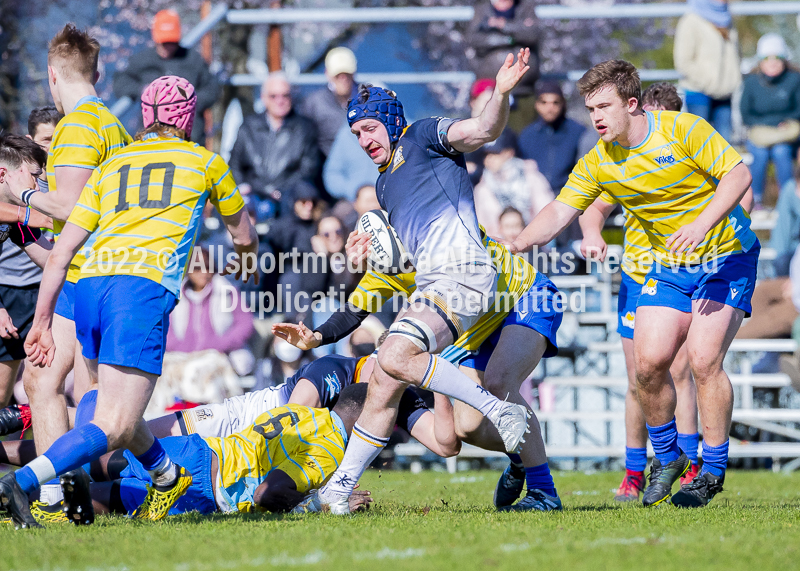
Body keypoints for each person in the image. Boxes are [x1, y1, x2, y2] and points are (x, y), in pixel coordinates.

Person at [283, 50, 541, 515]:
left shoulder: (421, 136)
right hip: (435, 283)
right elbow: (361, 302)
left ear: (388, 119)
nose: (362, 140)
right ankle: (339, 490)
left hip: (465, 271)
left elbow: (481, 130)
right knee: (383, 380)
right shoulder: (384, 188)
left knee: (396, 354)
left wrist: (500, 92)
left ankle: (498, 409)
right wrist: (316, 335)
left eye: (367, 128)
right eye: (354, 133)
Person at [0, 76, 258, 529]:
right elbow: (243, 233)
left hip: (89, 288)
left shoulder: (112, 165)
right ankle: (24, 483)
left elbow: (60, 252)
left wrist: (41, 321)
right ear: (189, 117)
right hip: (139, 290)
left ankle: (164, 476)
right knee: (116, 423)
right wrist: (246, 262)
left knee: (107, 400)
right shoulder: (205, 161)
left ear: (144, 115)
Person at [510, 60, 757, 508]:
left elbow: (739, 177)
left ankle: (712, 471)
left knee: (702, 361)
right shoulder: (600, 161)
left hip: (726, 257)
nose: (597, 117)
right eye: (590, 108)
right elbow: (560, 211)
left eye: (604, 106)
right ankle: (665, 459)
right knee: (647, 365)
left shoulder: (683, 130)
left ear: (631, 104)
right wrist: (517, 243)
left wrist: (702, 225)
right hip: (669, 265)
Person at [0, 24, 132, 512]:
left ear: (52, 75)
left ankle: (58, 494)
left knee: (44, 382)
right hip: (108, 269)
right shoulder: (112, 124)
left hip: (83, 273)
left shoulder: (76, 126)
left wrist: (23, 193)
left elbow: (71, 205)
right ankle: (82, 491)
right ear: (97, 72)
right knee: (83, 388)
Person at [579, 82, 702, 502]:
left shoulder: (687, 146)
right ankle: (634, 471)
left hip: (685, 271)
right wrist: (592, 232)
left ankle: (687, 464)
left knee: (682, 372)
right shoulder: (625, 157)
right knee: (640, 377)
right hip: (637, 277)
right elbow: (594, 207)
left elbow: (741, 190)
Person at [112, 9, 221, 145]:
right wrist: (143, 91)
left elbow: (212, 89)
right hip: (152, 135)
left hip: (189, 136)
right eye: (164, 43)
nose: (168, 47)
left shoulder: (193, 60)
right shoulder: (142, 60)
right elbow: (120, 82)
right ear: (156, 39)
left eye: (171, 42)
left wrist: (189, 102)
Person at [0, 136, 54, 409]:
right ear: (3, 175)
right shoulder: (17, 214)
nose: (36, 184)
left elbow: (50, 259)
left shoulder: (16, 217)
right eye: (33, 176)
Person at [228, 73, 322, 219]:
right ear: (263, 97)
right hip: (252, 196)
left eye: (285, 96)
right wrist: (248, 188)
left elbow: (308, 169)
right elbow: (234, 164)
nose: (280, 101)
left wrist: (281, 191)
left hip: (289, 200)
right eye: (274, 96)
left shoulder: (305, 128)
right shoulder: (248, 126)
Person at [518, 81, 586, 261]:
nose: (550, 108)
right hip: (535, 198)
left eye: (555, 102)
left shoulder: (578, 132)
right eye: (544, 102)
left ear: (562, 104)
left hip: (568, 196)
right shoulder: (527, 136)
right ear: (536, 104)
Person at [740, 33, 800, 204]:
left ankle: (787, 200)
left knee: (782, 152)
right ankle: (755, 200)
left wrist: (785, 122)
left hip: (786, 134)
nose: (772, 62)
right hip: (759, 133)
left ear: (784, 60)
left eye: (777, 58)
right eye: (767, 58)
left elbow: (798, 109)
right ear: (760, 60)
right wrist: (769, 124)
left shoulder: (794, 79)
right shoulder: (751, 82)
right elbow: (746, 113)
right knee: (759, 154)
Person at [165, 247, 255, 356]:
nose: (204, 272)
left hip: (222, 354)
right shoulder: (175, 296)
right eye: (197, 268)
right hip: (181, 355)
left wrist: (222, 344)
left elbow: (245, 324)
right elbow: (165, 327)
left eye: (208, 267)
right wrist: (177, 346)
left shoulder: (228, 291)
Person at [673, 0, 740, 141]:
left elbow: (735, 55)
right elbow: (683, 61)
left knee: (725, 145)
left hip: (724, 93)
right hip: (698, 92)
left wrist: (733, 80)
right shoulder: (690, 20)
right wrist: (708, 82)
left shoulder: (727, 19)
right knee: (700, 143)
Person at [473, 128, 553, 237]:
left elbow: (547, 215)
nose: (489, 158)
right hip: (497, 248)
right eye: (486, 154)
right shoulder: (482, 188)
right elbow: (480, 225)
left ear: (509, 153)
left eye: (495, 153)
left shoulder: (531, 178)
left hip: (533, 244)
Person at [467, 0, 540, 95]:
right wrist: (514, 36)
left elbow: (533, 35)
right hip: (489, 89)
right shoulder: (482, 10)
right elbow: (474, 40)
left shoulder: (526, 8)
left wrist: (503, 25)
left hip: (524, 89)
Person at [301, 47, 359, 158]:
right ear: (327, 74)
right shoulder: (314, 103)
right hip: (326, 164)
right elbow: (305, 141)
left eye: (347, 74)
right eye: (338, 75)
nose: (343, 79)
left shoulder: (367, 99)